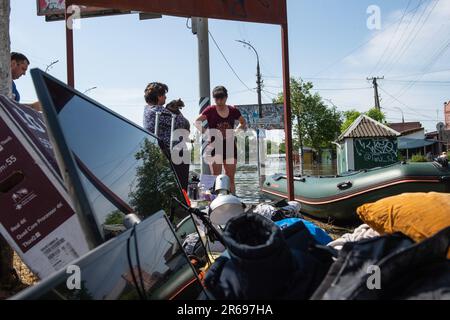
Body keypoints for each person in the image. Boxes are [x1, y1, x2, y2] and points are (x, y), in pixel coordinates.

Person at [195, 86, 246, 194]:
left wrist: (236, 132)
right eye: (216, 99)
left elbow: (243, 122)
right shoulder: (210, 110)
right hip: (215, 145)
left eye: (221, 98)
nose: (219, 101)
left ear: (226, 97)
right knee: (216, 177)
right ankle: (216, 202)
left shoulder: (233, 110)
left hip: (230, 146)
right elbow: (196, 122)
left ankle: (233, 199)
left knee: (230, 177)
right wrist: (206, 132)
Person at [143, 83, 191, 190]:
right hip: (172, 152)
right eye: (164, 94)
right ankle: (182, 202)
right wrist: (175, 110)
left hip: (160, 151)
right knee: (181, 184)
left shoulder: (147, 109)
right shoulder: (159, 111)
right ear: (159, 96)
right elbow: (184, 123)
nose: (165, 97)